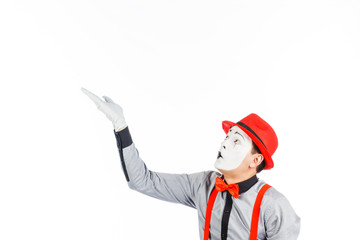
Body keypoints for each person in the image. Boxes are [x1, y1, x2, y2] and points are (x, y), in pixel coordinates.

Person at [81, 88, 301, 240]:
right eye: (227, 137)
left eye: (236, 141)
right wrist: (121, 126)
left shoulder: (275, 206)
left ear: (256, 160)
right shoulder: (202, 184)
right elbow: (142, 181)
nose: (224, 145)